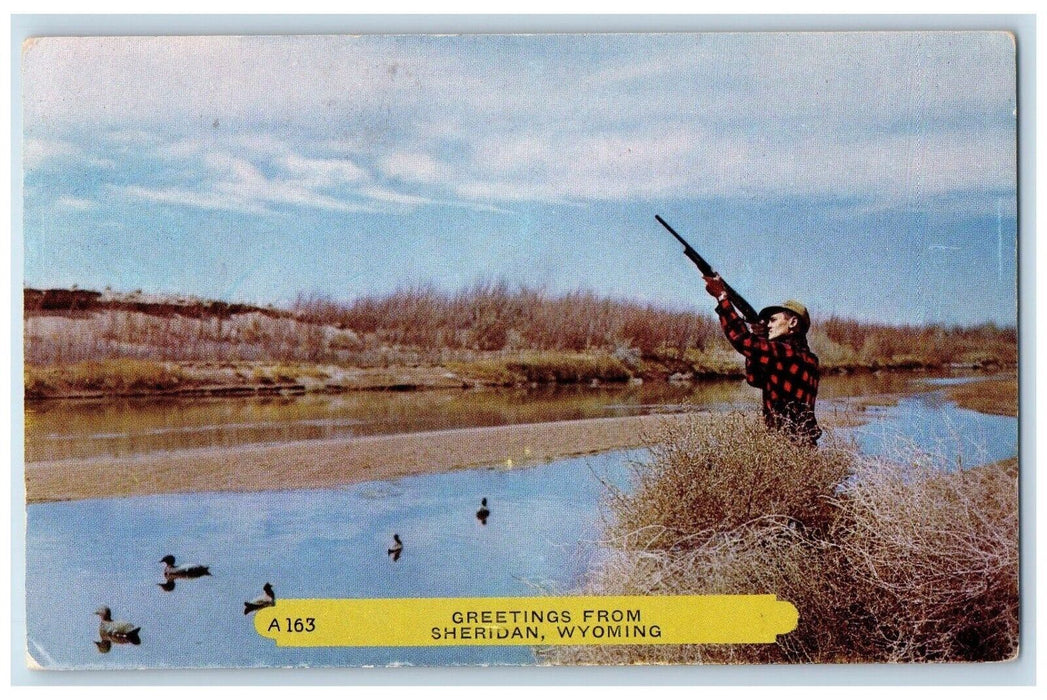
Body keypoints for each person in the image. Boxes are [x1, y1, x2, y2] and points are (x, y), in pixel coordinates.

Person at [703, 274, 822, 446]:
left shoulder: (786, 353)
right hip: (802, 445)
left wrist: (722, 299)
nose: (768, 325)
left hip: (786, 445)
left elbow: (742, 340)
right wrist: (760, 338)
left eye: (773, 320)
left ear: (793, 322)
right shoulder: (809, 359)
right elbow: (754, 379)